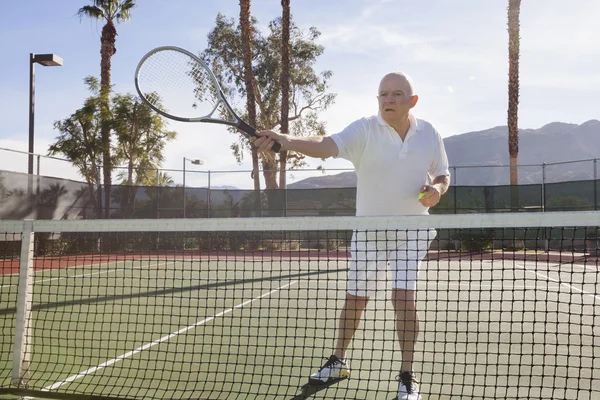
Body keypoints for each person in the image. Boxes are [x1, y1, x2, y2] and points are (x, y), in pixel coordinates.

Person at [253, 71, 450, 400]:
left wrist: (437, 191)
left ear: (411, 101)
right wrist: (285, 140)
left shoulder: (429, 133)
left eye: (397, 94)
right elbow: (325, 145)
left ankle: (407, 375)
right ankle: (339, 361)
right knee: (356, 299)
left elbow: (442, 174)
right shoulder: (364, 129)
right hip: (369, 231)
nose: (388, 99)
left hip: (412, 230)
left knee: (403, 296)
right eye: (383, 94)